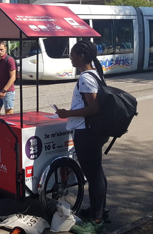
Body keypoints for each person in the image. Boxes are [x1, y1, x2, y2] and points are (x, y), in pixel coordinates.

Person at [56, 40, 109, 234]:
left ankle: (96, 220)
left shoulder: (86, 77)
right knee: (98, 174)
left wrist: (66, 114)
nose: (70, 57)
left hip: (86, 132)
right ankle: (101, 211)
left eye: (72, 54)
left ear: (81, 57)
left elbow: (94, 108)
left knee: (94, 177)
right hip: (93, 131)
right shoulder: (95, 73)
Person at [0, 41, 16, 116]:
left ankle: (9, 127)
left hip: (8, 91)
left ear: (5, 48)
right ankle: (0, 126)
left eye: (1, 49)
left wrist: (4, 90)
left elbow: (13, 77)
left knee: (8, 112)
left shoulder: (9, 60)